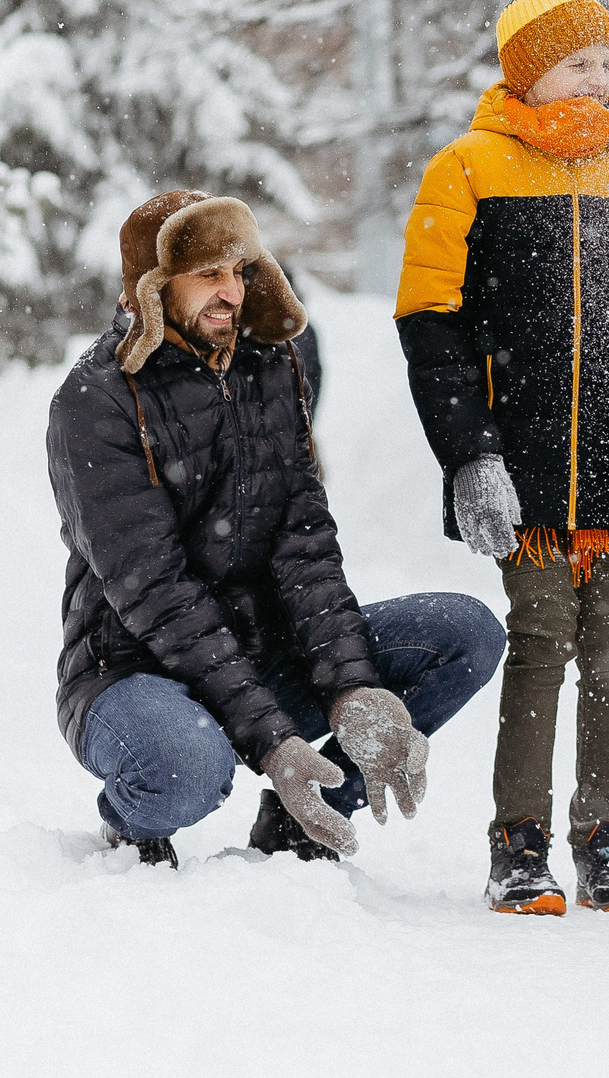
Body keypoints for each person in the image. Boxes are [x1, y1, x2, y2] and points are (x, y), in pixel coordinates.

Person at [49, 190, 502, 869]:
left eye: (239, 269)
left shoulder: (269, 367)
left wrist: (351, 690)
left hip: (261, 652)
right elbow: (157, 594)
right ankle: (133, 820)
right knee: (183, 767)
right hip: (135, 671)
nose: (230, 291)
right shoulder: (96, 399)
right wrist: (273, 741)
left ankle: (306, 819)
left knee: (464, 632)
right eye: (208, 274)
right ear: (152, 288)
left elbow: (306, 550)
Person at [394, 0, 609, 916]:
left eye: (606, 63)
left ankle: (603, 838)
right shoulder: (468, 169)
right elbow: (429, 326)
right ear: (527, 70)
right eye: (578, 65)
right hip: (518, 464)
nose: (598, 81)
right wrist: (471, 456)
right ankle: (517, 844)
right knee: (540, 639)